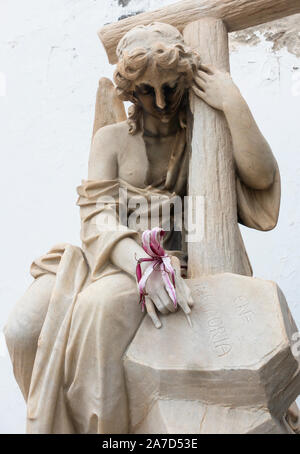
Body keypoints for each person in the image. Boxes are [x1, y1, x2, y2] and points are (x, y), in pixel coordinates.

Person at [4, 23, 282, 434]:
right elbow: (97, 216)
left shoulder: (204, 134)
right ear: (130, 91)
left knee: (99, 311)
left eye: (170, 88)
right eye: (147, 91)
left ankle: (106, 433)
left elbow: (260, 179)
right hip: (110, 255)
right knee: (21, 329)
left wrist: (233, 104)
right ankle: (53, 423)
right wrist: (139, 263)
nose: (161, 101)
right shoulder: (112, 140)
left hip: (170, 266)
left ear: (185, 81)